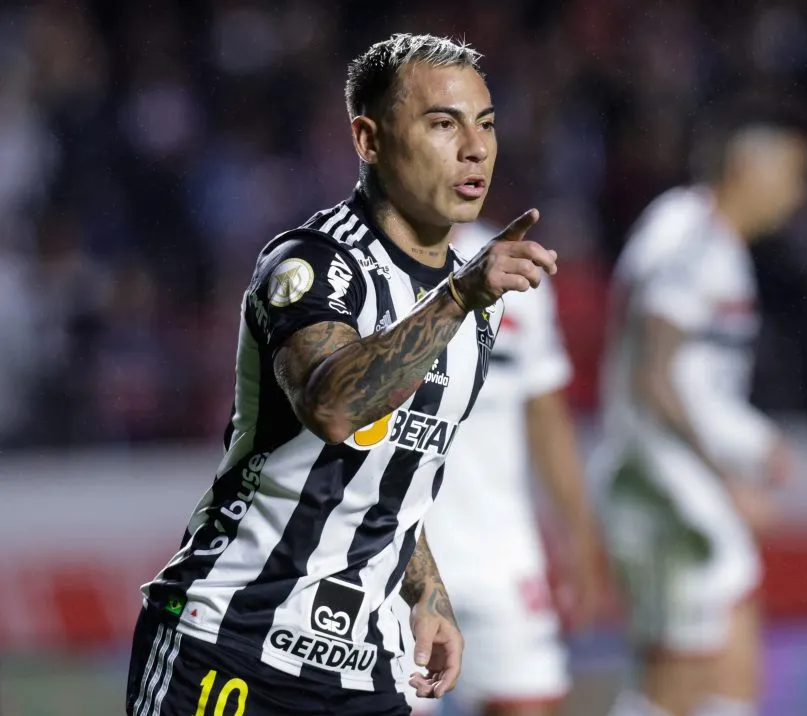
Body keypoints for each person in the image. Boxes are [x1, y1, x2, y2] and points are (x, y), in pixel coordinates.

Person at [125, 33, 559, 716]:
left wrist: (428, 596)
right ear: (369, 139)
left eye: (487, 124)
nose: (475, 148)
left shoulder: (473, 310)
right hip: (228, 647)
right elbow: (332, 406)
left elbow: (388, 476)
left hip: (363, 675)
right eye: (443, 123)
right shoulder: (313, 266)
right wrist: (457, 298)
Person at [596, 109, 807, 716]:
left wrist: (753, 438)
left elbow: (693, 380)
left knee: (727, 679)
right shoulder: (694, 241)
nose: (798, 195)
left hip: (672, 482)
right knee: (678, 685)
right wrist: (730, 478)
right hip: (665, 489)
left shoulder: (699, 234)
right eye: (792, 176)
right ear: (747, 170)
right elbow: (654, 374)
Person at [398, 221, 605, 716]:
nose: (468, 148)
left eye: (481, 137)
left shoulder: (517, 269)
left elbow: (547, 417)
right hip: (395, 560)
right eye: (443, 135)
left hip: (502, 557)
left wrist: (579, 538)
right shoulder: (356, 265)